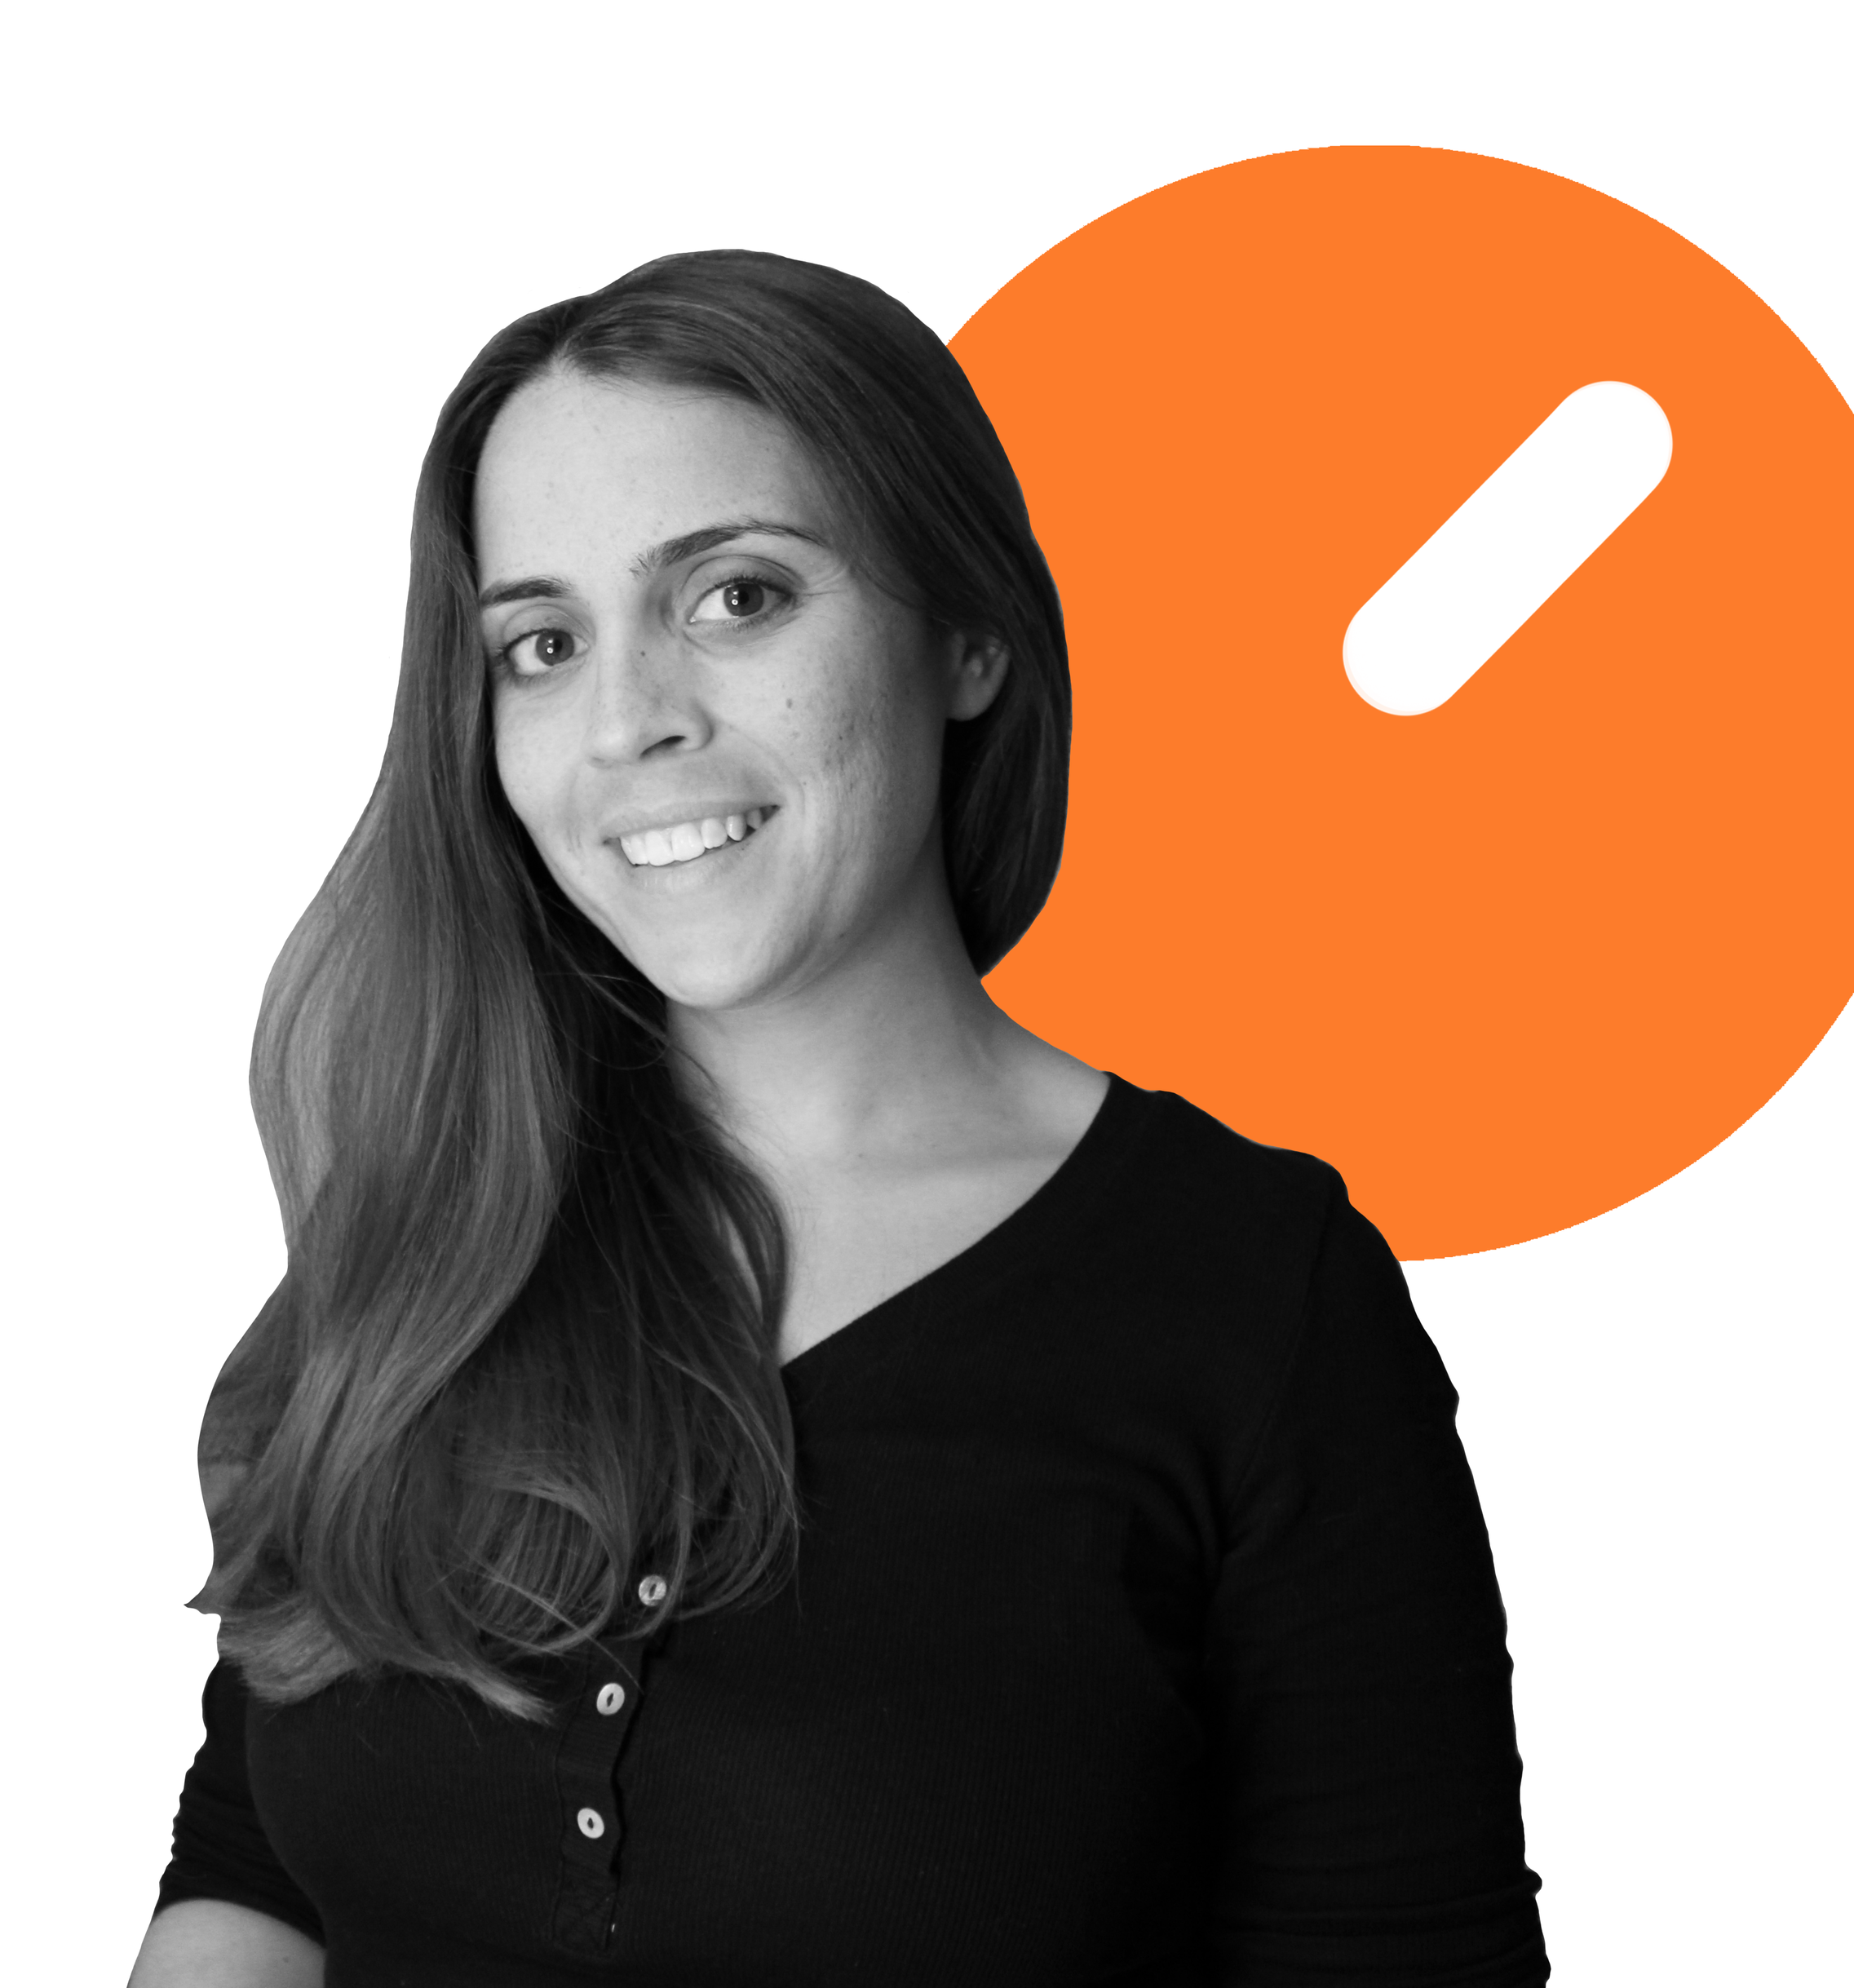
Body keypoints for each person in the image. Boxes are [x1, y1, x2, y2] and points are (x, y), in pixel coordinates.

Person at [131, 249, 1550, 1987]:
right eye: (543, 645)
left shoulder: (1256, 1299)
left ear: (966, 634)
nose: (629, 722)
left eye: (735, 597)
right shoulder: (441, 1225)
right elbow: (257, 1862)